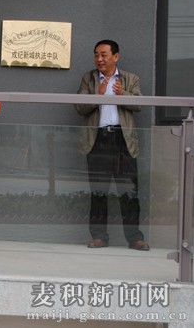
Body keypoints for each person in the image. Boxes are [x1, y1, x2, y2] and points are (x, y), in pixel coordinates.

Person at [75, 39, 149, 251]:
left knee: (130, 191)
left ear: (115, 57)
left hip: (123, 140)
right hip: (97, 140)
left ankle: (135, 238)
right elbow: (79, 107)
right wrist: (97, 95)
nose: (99, 59)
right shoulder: (88, 79)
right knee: (98, 191)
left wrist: (122, 94)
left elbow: (140, 105)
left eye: (104, 55)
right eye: (96, 55)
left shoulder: (130, 78)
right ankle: (99, 237)